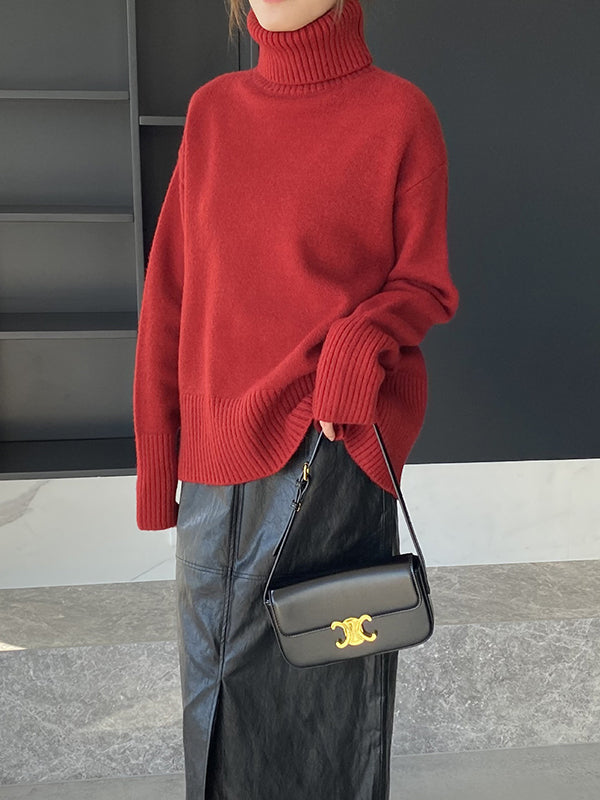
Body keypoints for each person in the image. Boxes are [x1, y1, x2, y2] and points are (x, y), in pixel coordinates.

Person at [132, 0, 460, 797]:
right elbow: (170, 294)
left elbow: (425, 285)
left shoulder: (399, 114)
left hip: (333, 454)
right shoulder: (214, 113)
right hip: (214, 468)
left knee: (327, 717)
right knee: (217, 707)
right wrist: (156, 466)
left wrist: (359, 340)